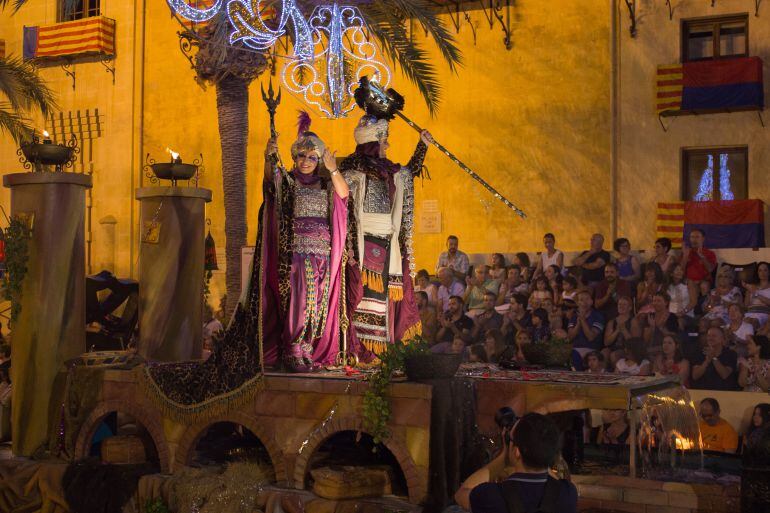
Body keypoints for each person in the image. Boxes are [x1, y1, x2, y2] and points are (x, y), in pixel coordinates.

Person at [340, 93, 431, 356]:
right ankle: (362, 351)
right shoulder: (353, 170)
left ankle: (380, 352)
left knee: (384, 300)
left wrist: (422, 145)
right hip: (362, 243)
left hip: (387, 243)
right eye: (383, 140)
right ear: (371, 142)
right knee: (364, 298)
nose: (387, 145)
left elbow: (409, 172)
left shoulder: (389, 171)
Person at [260, 116, 349, 370]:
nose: (306, 162)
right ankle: (292, 349)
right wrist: (269, 157)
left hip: (322, 252)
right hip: (295, 253)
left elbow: (344, 196)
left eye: (312, 157)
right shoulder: (288, 182)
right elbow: (270, 185)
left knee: (317, 302)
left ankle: (307, 348)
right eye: (301, 156)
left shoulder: (325, 184)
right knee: (298, 301)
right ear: (294, 158)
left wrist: (333, 169)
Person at [460, 413, 577, 513]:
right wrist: (542, 451)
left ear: (517, 452)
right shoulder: (568, 494)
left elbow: (461, 494)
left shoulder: (491, 496)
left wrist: (503, 458)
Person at [691, 326, 739, 391]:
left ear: (722, 339)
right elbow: (695, 376)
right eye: (708, 336)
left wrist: (714, 358)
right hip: (702, 392)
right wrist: (706, 362)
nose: (710, 338)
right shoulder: (700, 353)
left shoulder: (730, 354)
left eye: (714, 336)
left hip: (724, 393)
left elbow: (724, 374)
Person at [568, 290, 605, 371]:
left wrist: (583, 320)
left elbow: (590, 337)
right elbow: (570, 338)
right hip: (576, 349)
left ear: (591, 302)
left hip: (592, 349)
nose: (584, 302)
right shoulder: (574, 317)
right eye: (581, 300)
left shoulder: (598, 316)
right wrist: (578, 324)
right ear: (577, 303)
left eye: (587, 299)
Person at [683, 229, 717, 311]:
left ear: (703, 239)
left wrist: (702, 256)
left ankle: (703, 311)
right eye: (692, 237)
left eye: (697, 237)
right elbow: (680, 270)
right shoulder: (687, 252)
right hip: (688, 282)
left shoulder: (709, 253)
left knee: (704, 286)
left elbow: (710, 269)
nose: (694, 239)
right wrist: (685, 256)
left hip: (703, 281)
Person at [641, 292, 679, 361]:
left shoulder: (672, 317)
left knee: (645, 353)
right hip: (650, 346)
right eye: (654, 301)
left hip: (665, 347)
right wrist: (652, 327)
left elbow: (674, 338)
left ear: (666, 303)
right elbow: (645, 340)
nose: (656, 303)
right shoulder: (650, 316)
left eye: (659, 301)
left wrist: (660, 327)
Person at [603, 296, 639, 367]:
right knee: (603, 353)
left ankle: (618, 375)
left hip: (627, 349)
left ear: (630, 308)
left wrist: (624, 330)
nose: (621, 306)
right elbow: (606, 342)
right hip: (613, 348)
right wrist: (616, 331)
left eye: (624, 304)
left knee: (614, 355)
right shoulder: (612, 322)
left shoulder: (633, 321)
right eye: (619, 304)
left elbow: (635, 343)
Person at [744, 261, 770, 329]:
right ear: (757, 273)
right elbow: (746, 306)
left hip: (763, 314)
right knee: (746, 321)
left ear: (769, 272)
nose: (762, 273)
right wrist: (748, 292)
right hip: (750, 313)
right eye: (760, 270)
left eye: (765, 270)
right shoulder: (751, 287)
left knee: (753, 322)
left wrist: (755, 294)